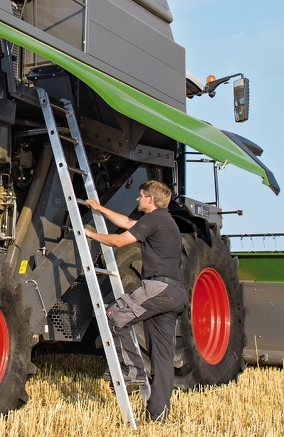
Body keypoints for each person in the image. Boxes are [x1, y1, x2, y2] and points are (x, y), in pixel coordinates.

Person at [82, 180, 188, 422]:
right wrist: (100, 208)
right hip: (176, 294)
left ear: (151, 199)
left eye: (141, 196)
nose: (137, 199)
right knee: (162, 356)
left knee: (114, 317)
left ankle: (133, 371)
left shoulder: (155, 218)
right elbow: (129, 224)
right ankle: (158, 414)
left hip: (158, 288)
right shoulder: (165, 221)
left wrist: (90, 234)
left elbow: (120, 241)